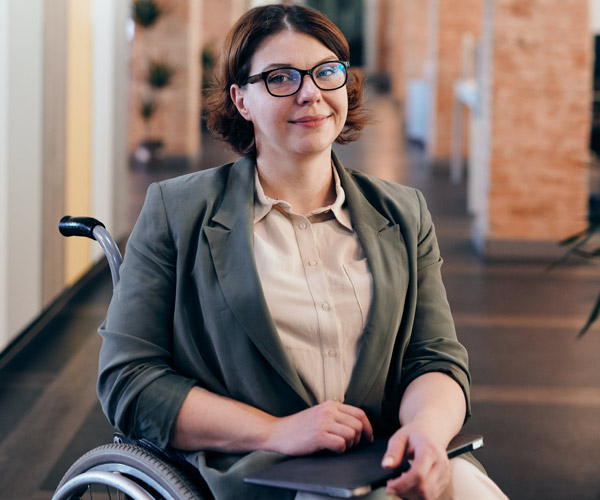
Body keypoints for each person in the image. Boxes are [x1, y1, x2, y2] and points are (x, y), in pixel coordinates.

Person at [98, 4, 507, 499]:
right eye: (280, 78)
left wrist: (427, 433)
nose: (310, 93)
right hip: (264, 474)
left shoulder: (403, 213)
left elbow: (434, 357)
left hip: (384, 461)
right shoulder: (178, 211)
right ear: (241, 100)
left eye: (325, 72)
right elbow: (129, 381)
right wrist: (275, 431)